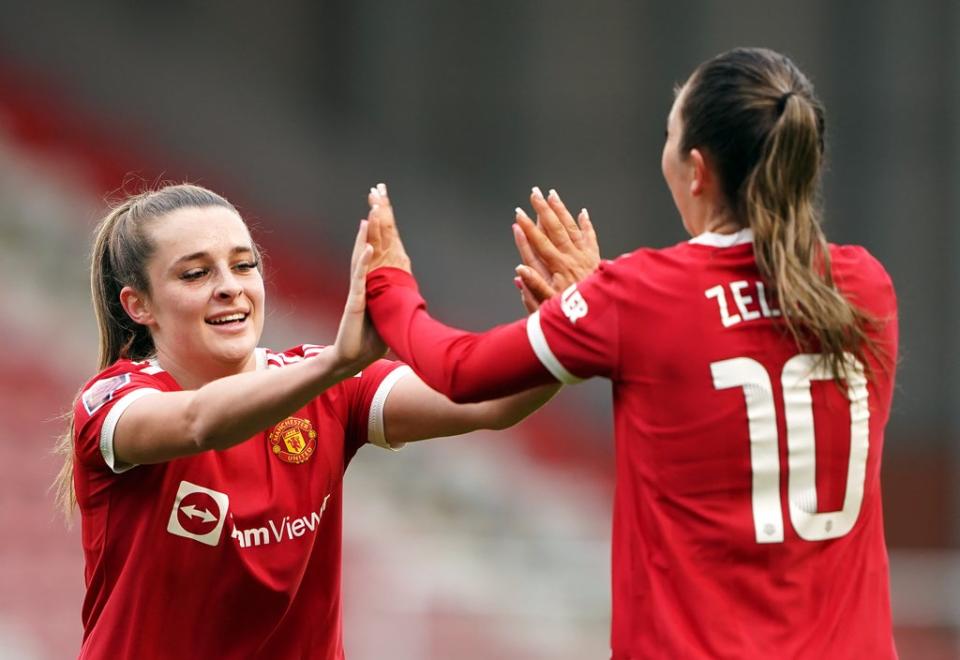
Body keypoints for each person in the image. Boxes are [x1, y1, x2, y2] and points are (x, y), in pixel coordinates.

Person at [363, 47, 898, 658]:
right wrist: (599, 299)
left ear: (696, 170)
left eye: (668, 133)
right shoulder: (866, 287)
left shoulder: (640, 300)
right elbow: (730, 319)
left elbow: (460, 370)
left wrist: (388, 284)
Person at [53, 183, 560, 659]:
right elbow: (197, 422)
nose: (230, 288)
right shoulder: (112, 401)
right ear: (138, 304)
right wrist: (336, 363)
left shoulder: (326, 383)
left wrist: (569, 327)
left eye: (244, 265)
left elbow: (489, 403)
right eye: (195, 274)